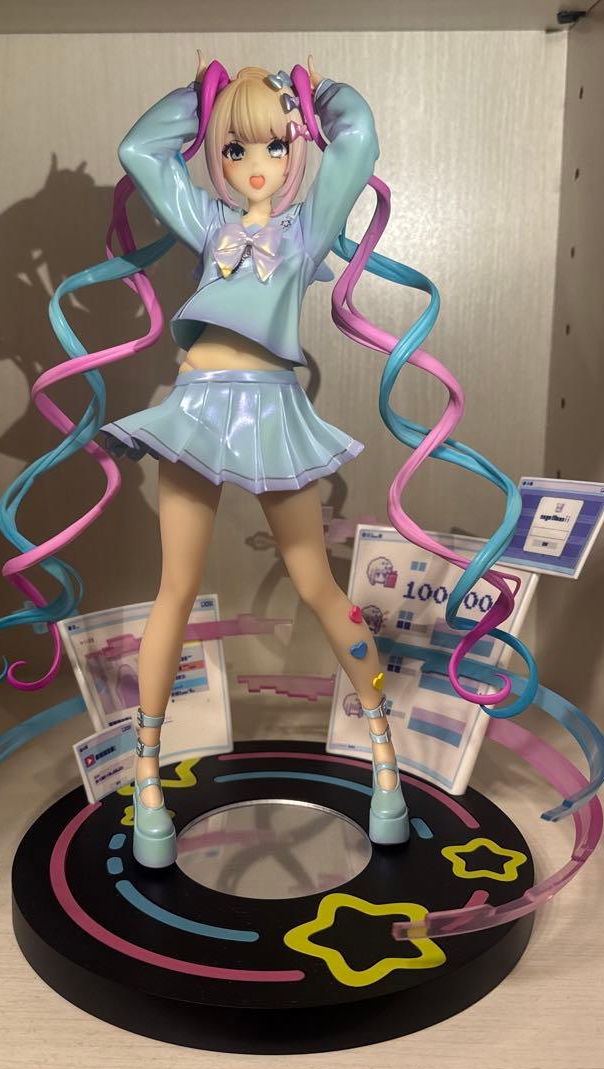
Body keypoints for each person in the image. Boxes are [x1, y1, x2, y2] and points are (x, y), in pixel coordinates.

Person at [104, 54, 407, 867]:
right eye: (235, 149)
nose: (256, 165)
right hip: (197, 410)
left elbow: (359, 137)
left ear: (297, 146)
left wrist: (316, 97)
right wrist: (198, 100)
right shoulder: (209, 224)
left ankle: (384, 758)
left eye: (275, 145)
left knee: (316, 584)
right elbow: (139, 151)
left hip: (272, 412)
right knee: (173, 589)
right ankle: (147, 777)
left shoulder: (306, 230)